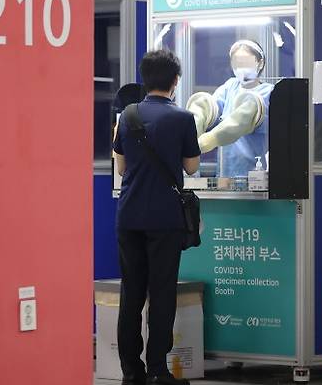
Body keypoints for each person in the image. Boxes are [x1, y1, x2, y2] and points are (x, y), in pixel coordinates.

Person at [113, 50, 201, 385]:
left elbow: (120, 166)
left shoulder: (128, 115)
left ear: (144, 78)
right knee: (161, 292)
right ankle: (157, 371)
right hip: (165, 218)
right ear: (175, 81)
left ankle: (130, 372)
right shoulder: (182, 118)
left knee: (131, 293)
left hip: (129, 215)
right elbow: (191, 166)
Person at [187, 40, 274, 177]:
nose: (241, 68)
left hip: (252, 176)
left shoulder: (266, 92)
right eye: (237, 63)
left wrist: (203, 143)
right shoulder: (230, 87)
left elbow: (240, 121)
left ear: (260, 63)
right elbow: (211, 108)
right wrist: (196, 120)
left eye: (246, 62)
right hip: (224, 175)